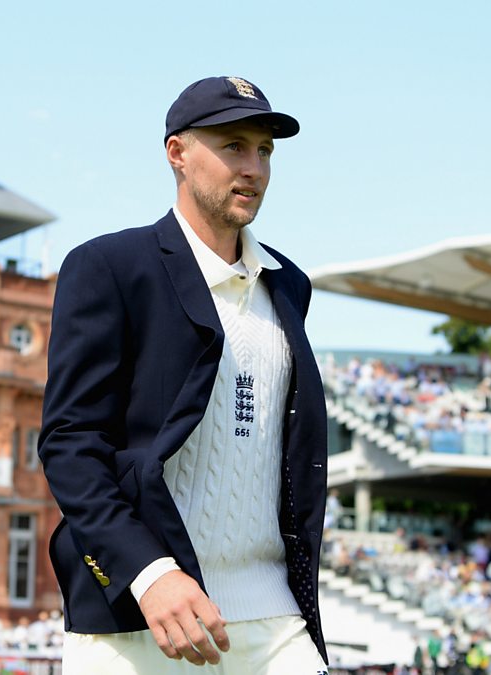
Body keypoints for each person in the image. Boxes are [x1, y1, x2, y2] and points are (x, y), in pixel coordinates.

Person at [39, 76, 327, 672]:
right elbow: (70, 445)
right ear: (177, 153)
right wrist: (149, 573)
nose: (253, 168)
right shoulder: (109, 266)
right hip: (139, 617)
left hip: (273, 614)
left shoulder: (289, 284)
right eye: (233, 146)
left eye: (264, 151)